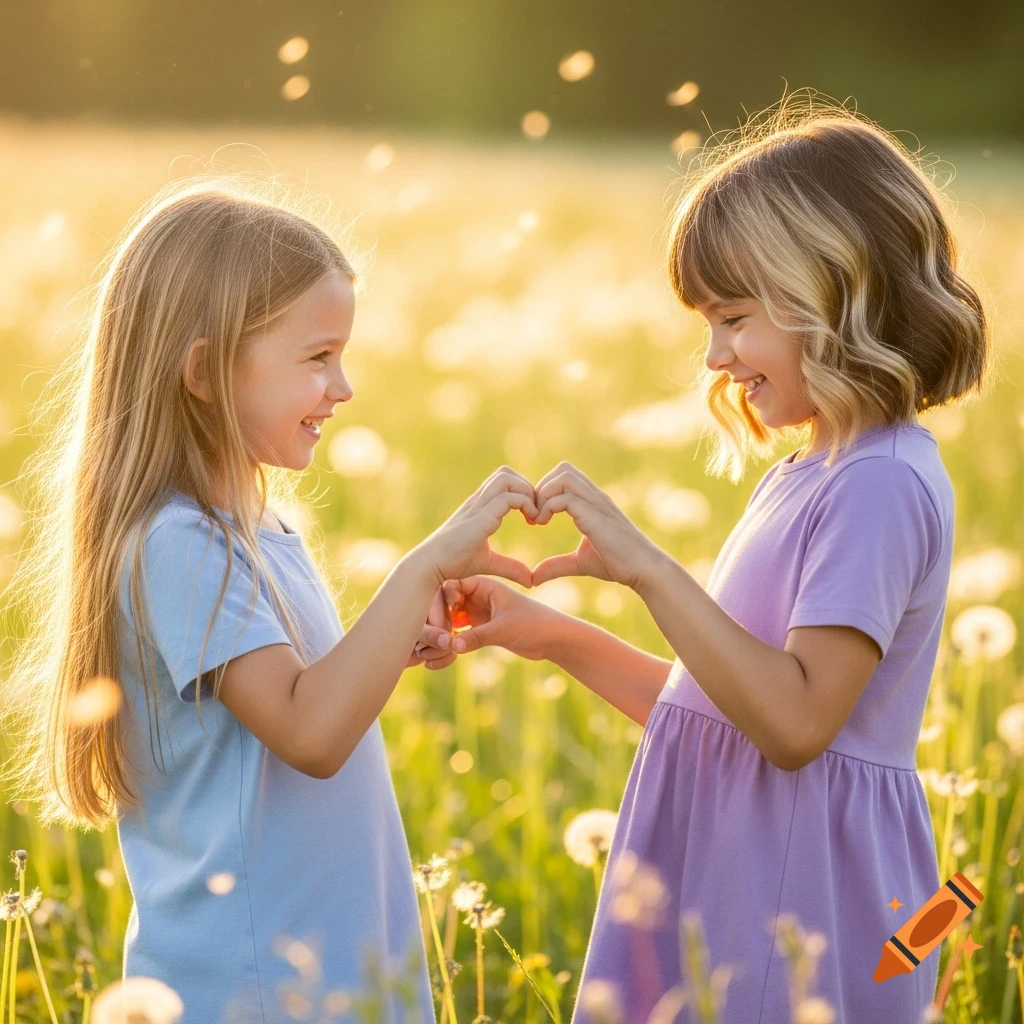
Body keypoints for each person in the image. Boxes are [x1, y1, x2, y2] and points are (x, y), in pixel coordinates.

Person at [436, 99, 990, 1023]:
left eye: (732, 318)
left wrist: (647, 566)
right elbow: (721, 717)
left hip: (797, 906)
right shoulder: (816, 471)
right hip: (743, 882)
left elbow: (795, 723)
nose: (714, 354)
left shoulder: (879, 487)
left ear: (832, 291)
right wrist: (549, 636)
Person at [2, 175, 536, 1023]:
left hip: (325, 969)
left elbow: (299, 704)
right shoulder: (176, 545)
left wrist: (395, 635)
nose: (344, 386)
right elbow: (310, 734)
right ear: (208, 372)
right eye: (318, 357)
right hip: (251, 987)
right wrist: (421, 568)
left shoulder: (261, 530)